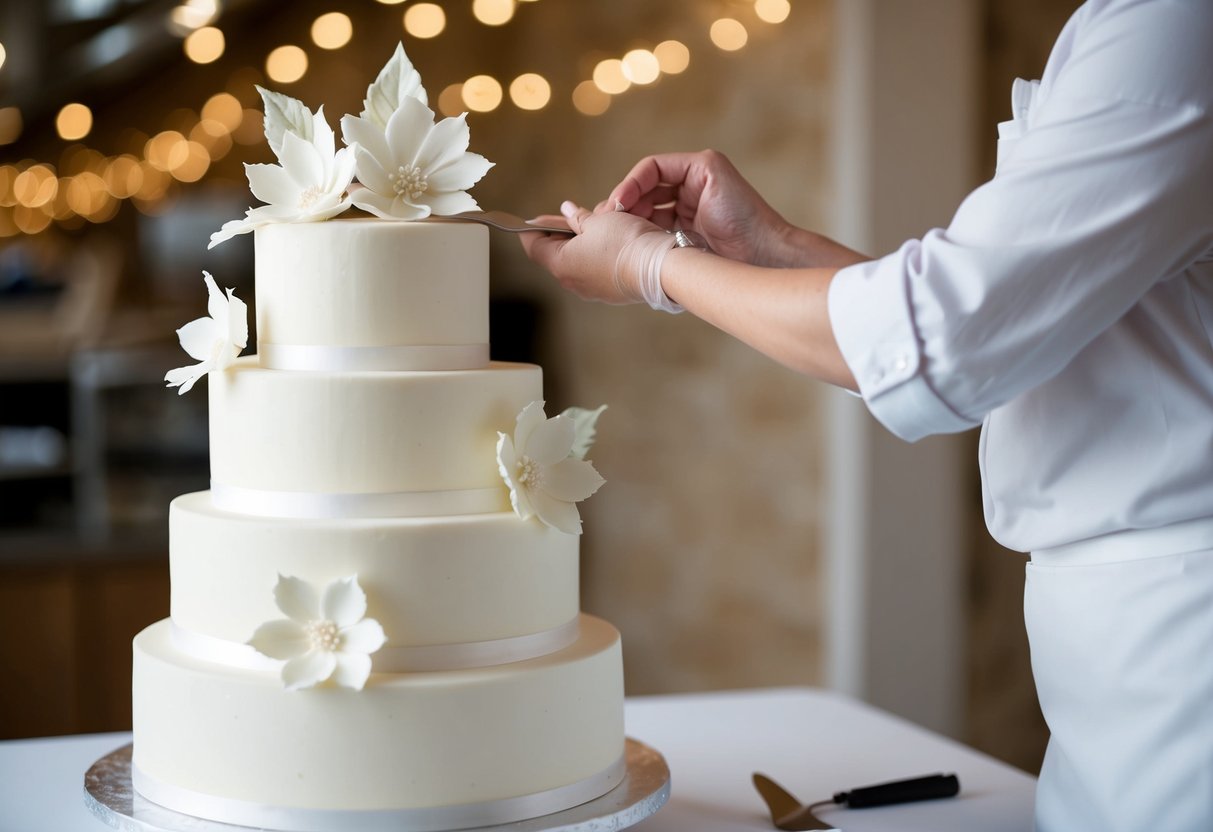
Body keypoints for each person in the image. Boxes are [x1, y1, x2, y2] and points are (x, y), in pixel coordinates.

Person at [519, 1, 1213, 830]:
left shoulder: (1177, 24)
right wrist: (766, 246)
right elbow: (1004, 333)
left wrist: (645, 267)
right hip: (1109, 631)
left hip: (1180, 633)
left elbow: (944, 337)